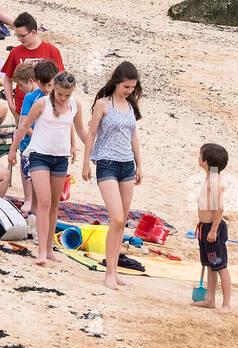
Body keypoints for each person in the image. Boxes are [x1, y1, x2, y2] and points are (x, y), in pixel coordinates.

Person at [10, 71, 90, 265]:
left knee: (55, 204)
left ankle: (49, 248)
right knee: (44, 201)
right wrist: (12, 150)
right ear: (54, 89)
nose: (63, 98)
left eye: (67, 95)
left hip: (60, 157)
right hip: (39, 155)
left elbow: (79, 129)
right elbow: (23, 126)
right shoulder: (42, 103)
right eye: (60, 94)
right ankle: (41, 252)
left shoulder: (74, 105)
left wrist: (91, 151)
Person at [82, 62, 144, 290]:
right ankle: (109, 272)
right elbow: (91, 134)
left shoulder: (129, 106)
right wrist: (86, 163)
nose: (129, 90)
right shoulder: (103, 104)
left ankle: (114, 271)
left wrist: (139, 165)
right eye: (126, 86)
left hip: (127, 165)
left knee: (121, 224)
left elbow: (133, 137)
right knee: (116, 218)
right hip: (106, 164)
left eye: (132, 87)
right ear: (117, 82)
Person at [1, 12, 63, 119]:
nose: (19, 39)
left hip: (46, 110)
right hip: (21, 109)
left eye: (22, 35)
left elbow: (60, 79)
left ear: (33, 32)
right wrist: (11, 105)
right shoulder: (15, 52)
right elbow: (7, 79)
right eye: (17, 35)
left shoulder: (52, 51)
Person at [193, 142, 232, 312]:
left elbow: (220, 207)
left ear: (206, 161)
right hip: (204, 227)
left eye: (200, 155)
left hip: (212, 229)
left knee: (220, 266)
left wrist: (214, 229)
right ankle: (210, 299)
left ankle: (226, 304)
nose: (198, 157)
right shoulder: (210, 176)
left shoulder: (214, 180)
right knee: (210, 264)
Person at [8, 60, 44, 215]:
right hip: (28, 142)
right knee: (26, 174)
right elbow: (24, 123)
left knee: (33, 176)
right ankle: (28, 200)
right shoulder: (31, 97)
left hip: (37, 143)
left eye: (21, 85)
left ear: (30, 81)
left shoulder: (36, 97)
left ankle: (32, 202)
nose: (20, 89)